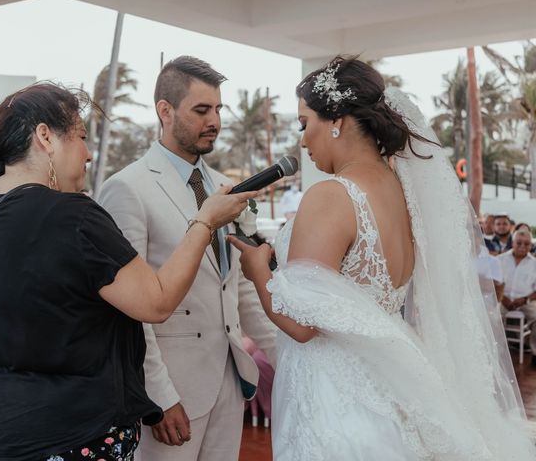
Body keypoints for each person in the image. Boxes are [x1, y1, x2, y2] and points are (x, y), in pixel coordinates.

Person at [229, 56, 536, 460]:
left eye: (305, 124)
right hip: (392, 385)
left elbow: (304, 326)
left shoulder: (330, 196)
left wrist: (258, 273)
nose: (303, 141)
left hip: (336, 394)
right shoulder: (404, 195)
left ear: (336, 118)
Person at [0, 82, 255, 461]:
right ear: (45, 137)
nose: (89, 153)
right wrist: (205, 221)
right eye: (79, 137)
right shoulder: (73, 215)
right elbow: (156, 302)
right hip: (64, 429)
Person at [98, 56, 276, 461]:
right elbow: (129, 310)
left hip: (230, 382)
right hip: (172, 391)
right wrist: (157, 396)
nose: (214, 120)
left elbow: (238, 289)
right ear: (165, 110)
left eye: (218, 109)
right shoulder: (127, 188)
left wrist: (290, 362)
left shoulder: (222, 188)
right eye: (201, 110)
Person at [498, 230, 536, 364]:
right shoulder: (500, 259)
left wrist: (524, 299)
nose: (522, 246)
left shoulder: (534, 263)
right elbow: (492, 283)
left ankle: (535, 353)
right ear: (512, 243)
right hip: (503, 299)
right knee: (492, 316)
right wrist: (503, 298)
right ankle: (496, 351)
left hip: (526, 301)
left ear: (531, 246)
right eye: (519, 243)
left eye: (527, 244)